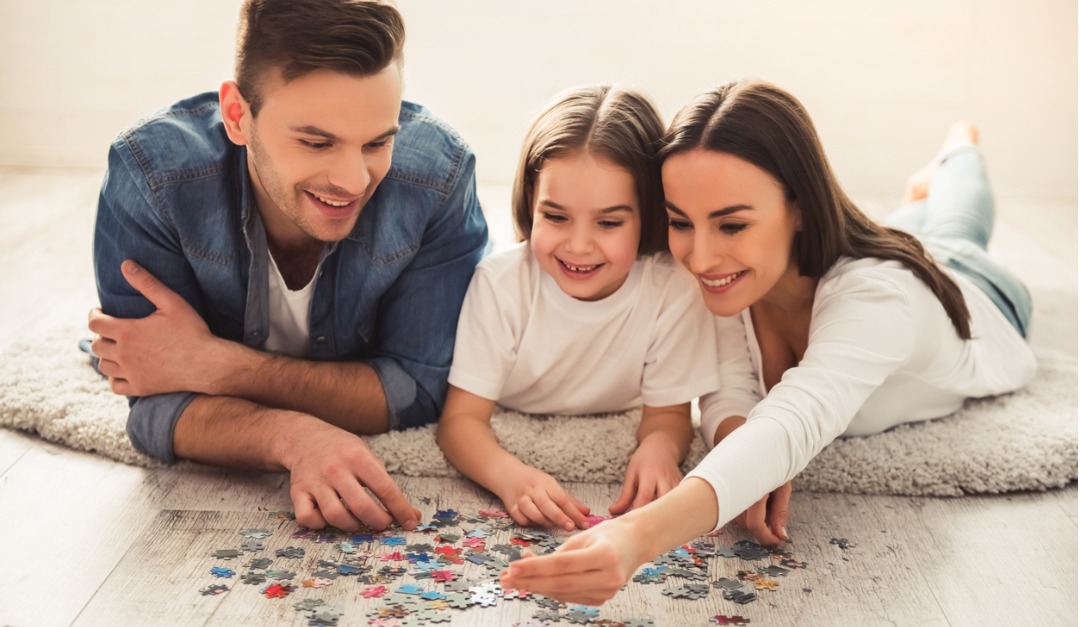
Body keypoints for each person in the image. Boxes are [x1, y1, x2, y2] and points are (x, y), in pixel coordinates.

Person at [500, 79, 1036, 605]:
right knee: (912, 220)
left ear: (799, 206)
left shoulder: (879, 299)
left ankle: (959, 147)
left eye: (731, 226)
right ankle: (916, 198)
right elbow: (725, 390)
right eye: (681, 222)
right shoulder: (728, 281)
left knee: (957, 224)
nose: (701, 258)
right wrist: (742, 451)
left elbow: (794, 421)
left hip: (981, 291)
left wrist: (634, 537)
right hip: (853, 249)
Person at [86, 0, 488, 533]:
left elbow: (416, 390)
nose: (353, 180)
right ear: (237, 116)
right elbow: (154, 406)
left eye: (377, 142)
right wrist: (292, 436)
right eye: (316, 142)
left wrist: (216, 366)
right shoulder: (152, 174)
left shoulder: (439, 175)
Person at [435, 85, 722, 532]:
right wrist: (512, 477)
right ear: (531, 201)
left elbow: (668, 415)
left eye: (609, 222)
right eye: (555, 216)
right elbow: (460, 422)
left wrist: (660, 449)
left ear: (649, 214)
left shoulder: (673, 289)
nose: (579, 245)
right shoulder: (500, 283)